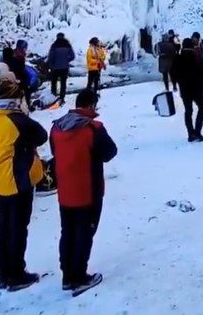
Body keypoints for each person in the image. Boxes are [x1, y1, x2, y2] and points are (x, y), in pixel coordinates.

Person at [50, 88, 117, 295]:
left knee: (67, 231)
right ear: (91, 105)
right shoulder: (93, 129)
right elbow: (110, 152)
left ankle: (67, 274)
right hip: (88, 189)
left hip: (65, 189)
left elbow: (54, 152)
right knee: (85, 232)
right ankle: (78, 276)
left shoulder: (57, 127)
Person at [0, 79, 48, 291]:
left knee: (4, 228)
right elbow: (41, 136)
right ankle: (16, 274)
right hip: (17, 179)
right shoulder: (18, 120)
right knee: (18, 228)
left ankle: (4, 274)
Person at [171, 40, 203, 141]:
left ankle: (190, 133)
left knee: (188, 111)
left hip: (184, 88)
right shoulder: (196, 57)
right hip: (197, 88)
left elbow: (173, 72)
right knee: (202, 108)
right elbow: (202, 72)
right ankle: (198, 131)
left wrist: (175, 84)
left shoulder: (178, 58)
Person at [47, 33, 75, 105]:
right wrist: (67, 60)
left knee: (54, 83)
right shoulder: (67, 45)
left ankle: (53, 97)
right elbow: (72, 56)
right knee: (63, 83)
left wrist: (50, 66)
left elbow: (51, 57)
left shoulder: (54, 45)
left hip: (55, 68)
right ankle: (62, 98)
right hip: (65, 67)